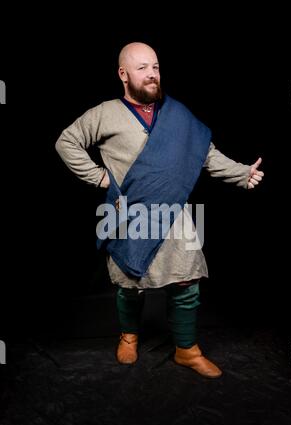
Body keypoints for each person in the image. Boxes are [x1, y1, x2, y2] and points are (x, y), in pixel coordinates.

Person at [55, 42, 264, 378]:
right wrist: (99, 179)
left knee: (187, 282)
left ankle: (187, 350)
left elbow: (206, 155)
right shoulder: (105, 113)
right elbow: (67, 141)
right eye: (142, 68)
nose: (152, 74)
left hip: (175, 215)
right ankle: (129, 336)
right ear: (123, 74)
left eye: (155, 67)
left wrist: (242, 173)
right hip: (129, 214)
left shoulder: (178, 115)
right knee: (129, 282)